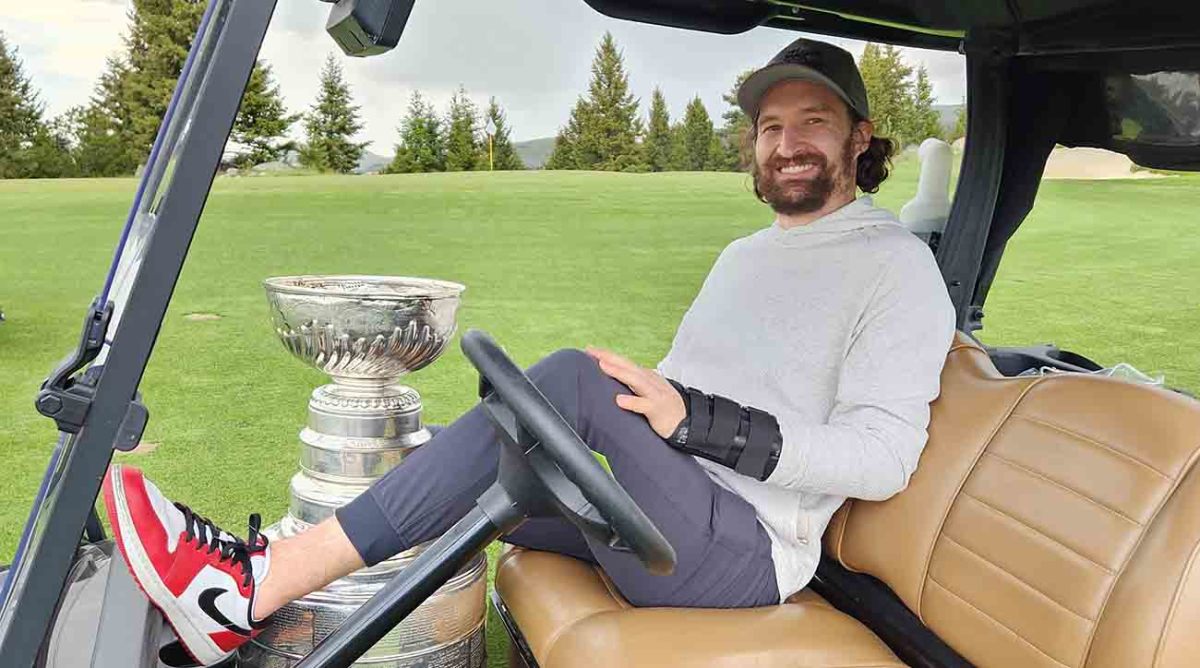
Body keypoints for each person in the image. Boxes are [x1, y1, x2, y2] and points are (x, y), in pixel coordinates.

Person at [102, 37, 955, 666]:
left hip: (745, 554)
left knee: (572, 380)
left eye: (814, 123)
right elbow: (683, 396)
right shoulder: (746, 256)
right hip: (679, 510)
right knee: (451, 462)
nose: (788, 144)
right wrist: (667, 409)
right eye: (771, 127)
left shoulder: (894, 266)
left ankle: (250, 586)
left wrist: (696, 421)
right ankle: (265, 622)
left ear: (860, 137)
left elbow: (882, 459)